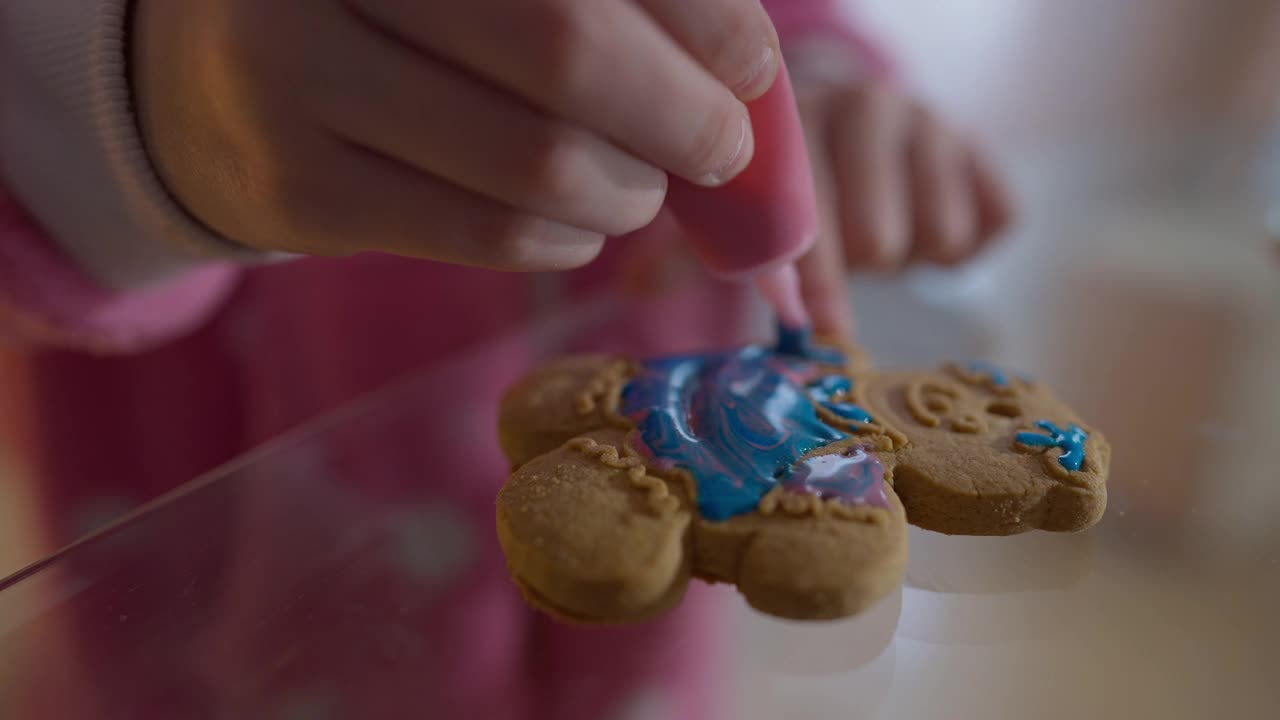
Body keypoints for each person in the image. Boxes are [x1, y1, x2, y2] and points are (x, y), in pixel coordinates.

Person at [0, 0, 1011, 717]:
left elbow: (771, 22)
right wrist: (131, 82)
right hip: (200, 599)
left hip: (639, 620)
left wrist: (818, 82)